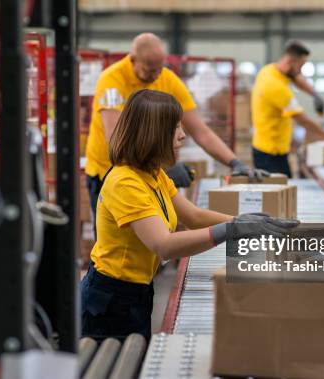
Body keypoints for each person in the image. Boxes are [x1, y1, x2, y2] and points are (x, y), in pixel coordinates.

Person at [80, 89, 298, 341]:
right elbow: (164, 246)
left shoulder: (153, 173)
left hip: (137, 290)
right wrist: (231, 231)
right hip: (110, 299)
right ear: (154, 133)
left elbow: (192, 215)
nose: (182, 135)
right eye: (175, 128)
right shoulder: (125, 182)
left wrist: (245, 222)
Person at [85, 33, 267, 226]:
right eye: (149, 70)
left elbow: (200, 131)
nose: (156, 75)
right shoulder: (112, 80)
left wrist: (235, 163)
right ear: (133, 60)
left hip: (147, 172)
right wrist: (165, 165)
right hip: (108, 172)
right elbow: (116, 137)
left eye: (159, 68)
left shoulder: (167, 79)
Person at [251, 40, 324, 177]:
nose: (301, 71)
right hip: (270, 153)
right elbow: (303, 120)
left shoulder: (269, 70)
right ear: (290, 61)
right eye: (301, 66)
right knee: (280, 192)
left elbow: (296, 78)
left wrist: (314, 94)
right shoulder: (277, 88)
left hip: (266, 147)